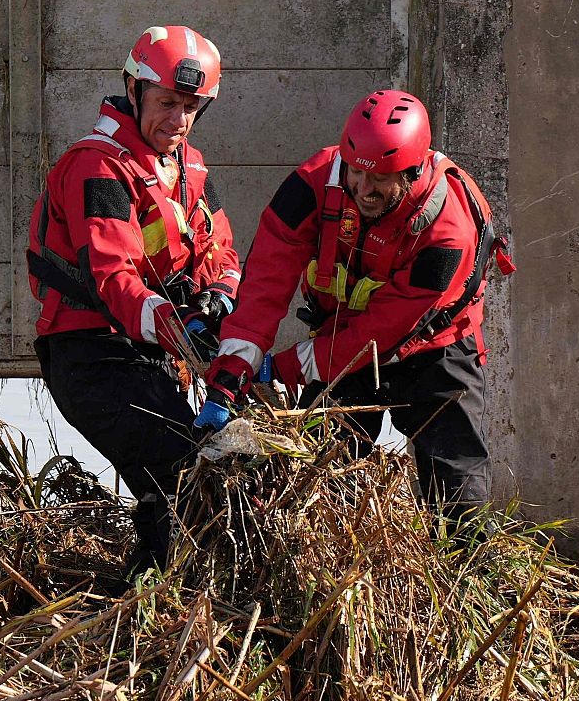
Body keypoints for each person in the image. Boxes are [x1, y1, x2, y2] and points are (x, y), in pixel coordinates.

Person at [196, 89, 513, 525]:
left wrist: (285, 367)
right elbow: (267, 276)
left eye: (381, 179)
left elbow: (383, 330)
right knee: (322, 481)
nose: (364, 190)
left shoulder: (447, 228)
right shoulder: (314, 183)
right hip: (336, 334)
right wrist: (235, 363)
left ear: (414, 168)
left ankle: (473, 576)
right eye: (356, 173)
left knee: (457, 491)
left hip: (433, 351)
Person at [28, 25, 241, 573]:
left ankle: (156, 594)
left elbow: (218, 247)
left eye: (191, 107)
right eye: (167, 102)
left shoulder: (188, 167)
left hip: (150, 351)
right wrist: (179, 327)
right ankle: (156, 593)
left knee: (172, 479)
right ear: (133, 90)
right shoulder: (96, 166)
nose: (178, 120)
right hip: (91, 354)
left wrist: (216, 296)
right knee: (176, 462)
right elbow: (112, 276)